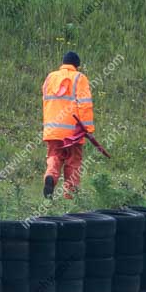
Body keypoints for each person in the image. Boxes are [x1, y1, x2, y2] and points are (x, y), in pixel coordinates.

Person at [42, 51, 94, 199]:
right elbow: (85, 105)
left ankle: (50, 175)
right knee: (73, 162)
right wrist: (88, 129)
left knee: (54, 156)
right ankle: (70, 196)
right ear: (76, 66)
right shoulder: (79, 78)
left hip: (52, 129)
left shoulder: (50, 77)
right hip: (73, 132)